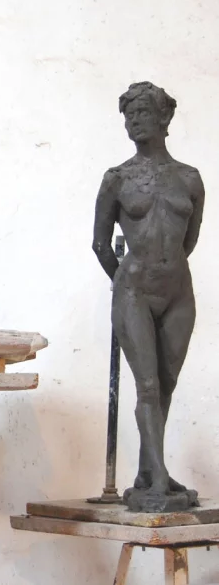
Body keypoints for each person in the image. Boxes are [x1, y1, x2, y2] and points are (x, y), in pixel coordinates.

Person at [93, 82, 204, 499]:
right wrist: (126, 282)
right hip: (135, 291)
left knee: (167, 383)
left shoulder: (189, 178)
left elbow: (188, 241)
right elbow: (100, 243)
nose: (134, 121)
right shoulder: (117, 179)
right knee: (149, 387)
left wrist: (164, 269)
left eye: (142, 112)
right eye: (129, 115)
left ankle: (148, 471)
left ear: (164, 117)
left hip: (178, 291)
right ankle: (159, 476)